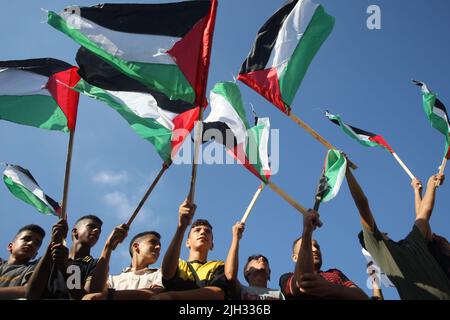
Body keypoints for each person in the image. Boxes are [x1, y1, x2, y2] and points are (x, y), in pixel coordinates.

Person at [346, 167, 450, 299]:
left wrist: (429, 186)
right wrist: (347, 172)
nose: (381, 231)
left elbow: (423, 214)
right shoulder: (382, 252)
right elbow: (362, 204)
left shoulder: (412, 241)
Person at [279, 209, 368, 300]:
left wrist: (331, 288)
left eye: (317, 247)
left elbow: (363, 297)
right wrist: (307, 231)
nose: (315, 250)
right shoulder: (285, 278)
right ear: (295, 257)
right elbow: (302, 280)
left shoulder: (335, 273)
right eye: (308, 246)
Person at [155, 199, 227, 300]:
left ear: (212, 245)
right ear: (187, 242)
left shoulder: (218, 266)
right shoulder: (178, 264)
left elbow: (218, 293)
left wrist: (172, 296)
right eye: (197, 230)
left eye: (207, 231)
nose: (202, 232)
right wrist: (181, 227)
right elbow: (167, 273)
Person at [26, 215, 103, 299]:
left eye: (99, 231)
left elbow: (85, 297)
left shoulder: (96, 264)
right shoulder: (48, 258)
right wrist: (53, 242)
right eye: (91, 227)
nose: (96, 230)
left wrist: (65, 268)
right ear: (74, 232)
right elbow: (31, 293)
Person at [83, 230, 165, 300]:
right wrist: (108, 246)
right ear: (136, 246)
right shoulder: (112, 279)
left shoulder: (160, 273)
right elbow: (95, 293)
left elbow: (157, 293)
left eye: (160, 246)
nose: (158, 247)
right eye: (153, 242)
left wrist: (109, 294)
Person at [225, 221, 284, 300]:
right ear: (246, 271)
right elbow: (229, 275)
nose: (262, 259)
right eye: (256, 259)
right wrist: (236, 238)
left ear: (269, 273)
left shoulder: (280, 294)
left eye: (265, 260)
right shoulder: (241, 290)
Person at [411, 177, 450, 280]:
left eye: (435, 235)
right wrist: (418, 191)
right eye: (434, 237)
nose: (435, 234)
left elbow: (423, 220)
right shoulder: (437, 257)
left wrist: (418, 191)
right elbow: (423, 219)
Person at [0, 224, 45, 299]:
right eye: (26, 239)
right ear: (10, 246)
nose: (31, 243)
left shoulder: (36, 266)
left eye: (36, 243)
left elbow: (28, 291)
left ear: (35, 255)